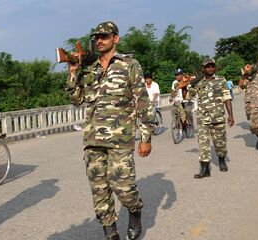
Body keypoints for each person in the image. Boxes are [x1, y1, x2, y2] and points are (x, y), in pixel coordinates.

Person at [66, 21, 154, 240]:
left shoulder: (129, 64)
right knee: (99, 190)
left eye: (104, 36)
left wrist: (146, 137)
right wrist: (73, 72)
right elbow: (77, 100)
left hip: (120, 139)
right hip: (93, 139)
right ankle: (111, 233)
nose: (99, 40)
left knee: (123, 186)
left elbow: (142, 102)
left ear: (116, 38)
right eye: (97, 37)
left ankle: (134, 210)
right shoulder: (90, 68)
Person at [189, 58, 234, 178]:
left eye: (212, 66)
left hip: (218, 117)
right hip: (203, 118)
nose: (210, 68)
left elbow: (227, 97)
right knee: (203, 144)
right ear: (203, 68)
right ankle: (205, 169)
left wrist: (230, 115)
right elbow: (189, 95)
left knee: (220, 144)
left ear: (215, 67)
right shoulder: (198, 82)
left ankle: (222, 159)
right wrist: (187, 84)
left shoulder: (221, 80)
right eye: (207, 66)